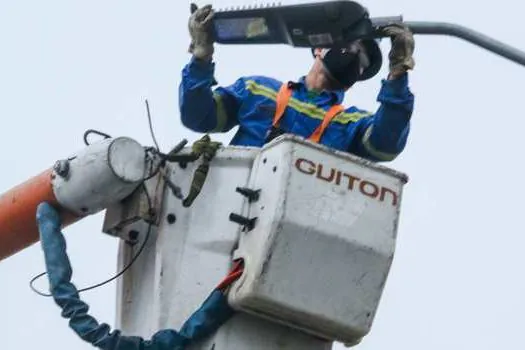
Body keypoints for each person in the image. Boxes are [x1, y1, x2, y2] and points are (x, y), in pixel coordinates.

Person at [179, 4, 415, 162]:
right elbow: (198, 116)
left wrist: (397, 74)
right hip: (232, 208)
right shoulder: (257, 90)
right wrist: (201, 58)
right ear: (319, 48)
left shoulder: (351, 124)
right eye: (351, 44)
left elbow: (386, 144)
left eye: (362, 59)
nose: (354, 55)